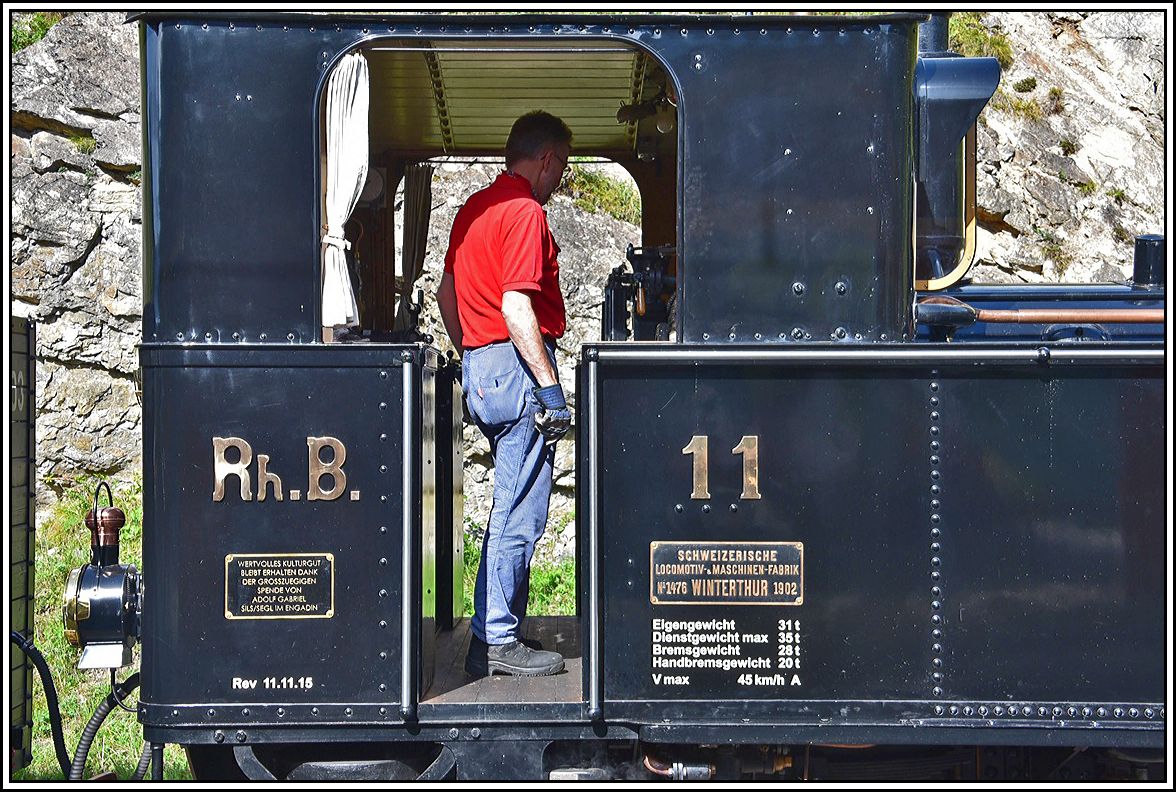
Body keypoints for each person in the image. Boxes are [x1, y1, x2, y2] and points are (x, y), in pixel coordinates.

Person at [437, 111, 573, 677]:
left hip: (482, 363)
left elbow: (446, 294)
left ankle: (491, 633)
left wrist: (473, 356)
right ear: (543, 160)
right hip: (516, 367)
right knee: (519, 510)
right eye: (561, 166)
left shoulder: (474, 209)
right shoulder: (523, 213)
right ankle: (497, 640)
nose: (560, 178)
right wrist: (549, 388)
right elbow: (518, 307)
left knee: (506, 502)